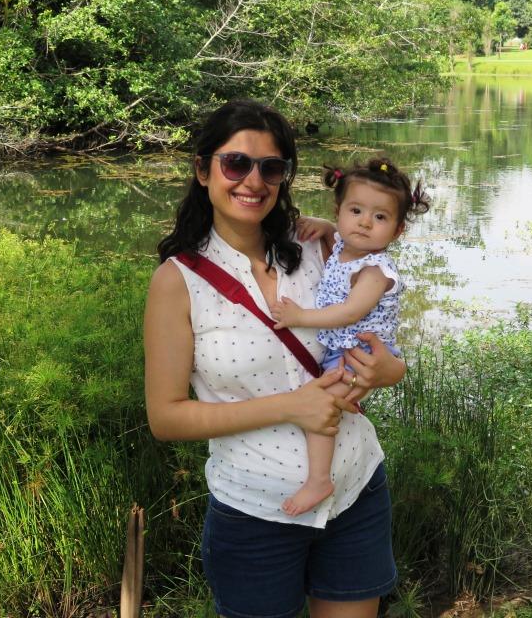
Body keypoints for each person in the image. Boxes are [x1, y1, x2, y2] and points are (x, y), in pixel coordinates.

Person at [144, 99, 406, 618]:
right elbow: (166, 418)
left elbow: (376, 337)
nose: (253, 181)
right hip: (255, 511)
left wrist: (390, 370)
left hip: (356, 489)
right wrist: (291, 406)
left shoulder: (317, 247)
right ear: (203, 169)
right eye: (236, 163)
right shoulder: (177, 281)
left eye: (270, 167)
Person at [270, 158, 430, 516]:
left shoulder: (374, 270)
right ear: (339, 211)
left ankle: (319, 480)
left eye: (380, 217)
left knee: (322, 407)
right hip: (342, 350)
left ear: (398, 231)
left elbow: (350, 312)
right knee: (324, 401)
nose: (365, 222)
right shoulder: (345, 246)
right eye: (355, 211)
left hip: (359, 354)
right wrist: (327, 228)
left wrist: (300, 317)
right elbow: (339, 236)